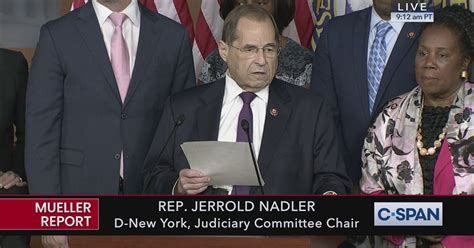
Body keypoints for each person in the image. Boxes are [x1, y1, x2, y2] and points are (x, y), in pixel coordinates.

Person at [143, 4, 350, 195]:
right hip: (204, 232)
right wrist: (177, 186)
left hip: (281, 232)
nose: (261, 60)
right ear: (224, 50)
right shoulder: (182, 108)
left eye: (269, 49)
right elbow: (153, 175)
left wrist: (329, 197)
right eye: (250, 49)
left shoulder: (310, 110)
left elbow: (331, 178)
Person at [360, 5, 474, 247]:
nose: (429, 63)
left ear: (465, 62)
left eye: (442, 55)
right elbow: (369, 193)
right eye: (423, 53)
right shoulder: (391, 115)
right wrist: (412, 221)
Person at [311, 0, 421, 186]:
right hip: (344, 179)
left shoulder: (434, 28)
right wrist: (340, 176)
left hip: (410, 183)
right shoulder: (336, 31)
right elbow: (324, 115)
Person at [199, 0, 313, 88]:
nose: (249, 12)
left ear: (278, 5)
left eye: (260, 3)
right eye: (241, 4)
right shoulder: (214, 61)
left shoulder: (303, 62)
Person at [0, 49, 29, 248]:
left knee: (16, 212)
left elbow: (28, 133)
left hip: (3, 181)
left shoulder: (12, 65)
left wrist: (17, 173)